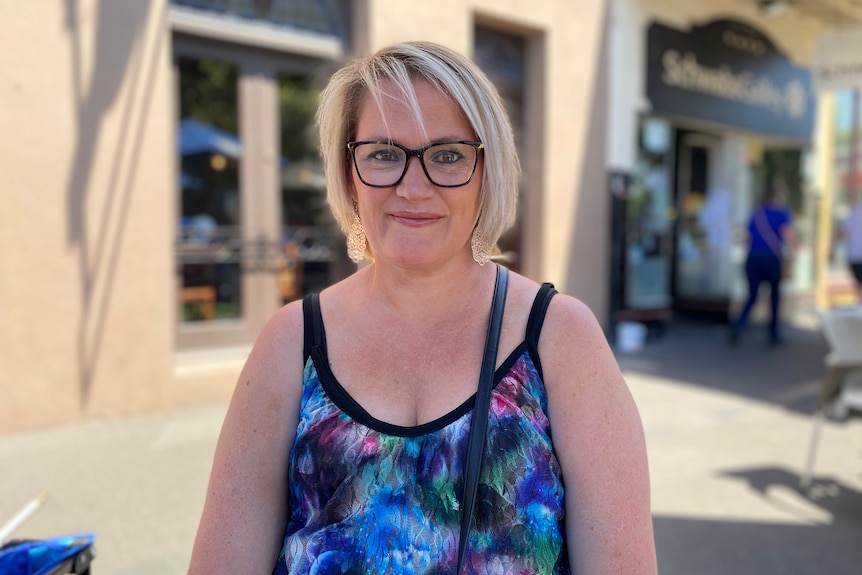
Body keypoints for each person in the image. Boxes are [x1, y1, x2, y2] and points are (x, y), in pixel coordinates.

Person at [188, 41, 656, 574]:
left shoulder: (558, 337)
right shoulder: (291, 341)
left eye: (448, 155)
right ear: (348, 174)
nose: (413, 187)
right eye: (384, 154)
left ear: (487, 172)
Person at [730, 184, 795, 346]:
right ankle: (772, 334)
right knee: (774, 297)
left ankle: (739, 324)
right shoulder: (782, 214)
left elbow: (747, 238)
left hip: (752, 258)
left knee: (752, 296)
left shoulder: (756, 214)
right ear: (777, 197)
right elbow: (789, 237)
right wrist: (791, 257)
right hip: (771, 259)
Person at [839, 197, 862, 303]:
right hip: (856, 255)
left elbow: (842, 233)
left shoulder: (854, 211)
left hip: (855, 255)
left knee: (859, 286)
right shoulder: (854, 211)